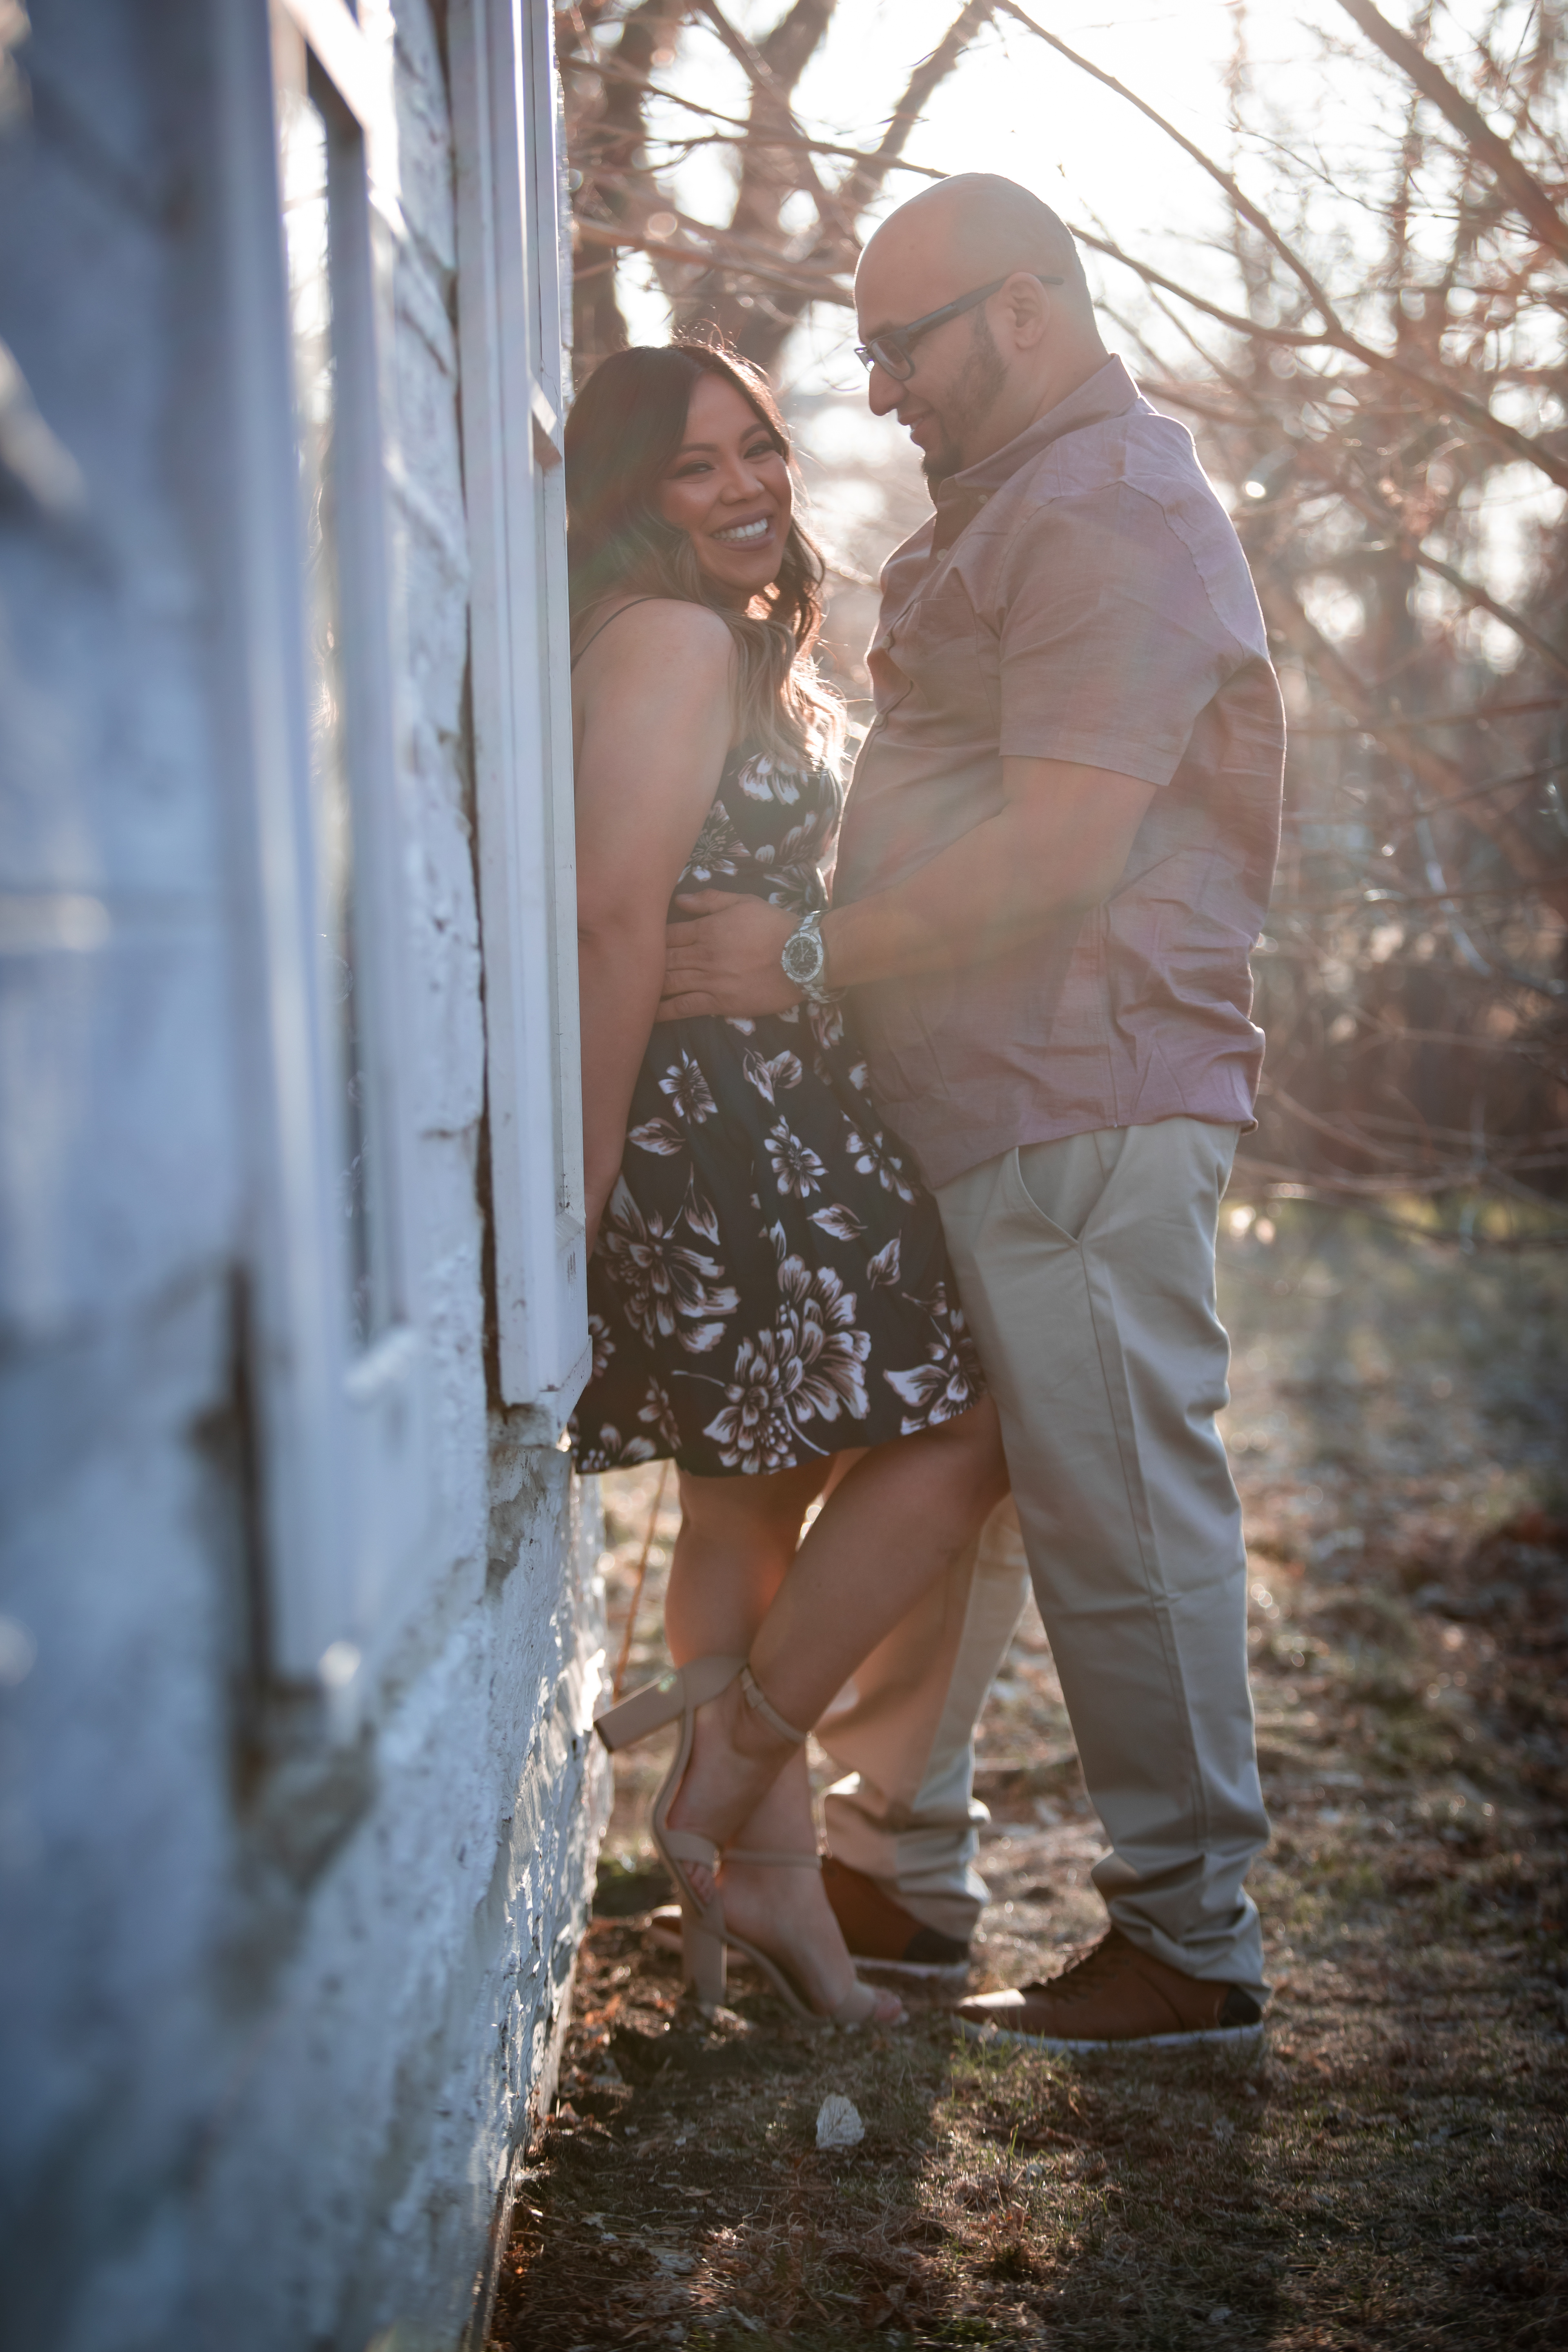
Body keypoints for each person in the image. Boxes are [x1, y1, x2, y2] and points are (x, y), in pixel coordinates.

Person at [658, 174, 1285, 2049]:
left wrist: (809, 955)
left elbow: (1066, 842)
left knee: (1120, 1509)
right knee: (990, 1494)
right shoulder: (1028, 502)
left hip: (1078, 1088)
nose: (878, 390)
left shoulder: (1107, 511)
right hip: (994, 1100)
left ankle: (1190, 1941)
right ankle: (898, 1868)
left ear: (1023, 308)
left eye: (899, 347)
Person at [565, 340, 1009, 2028]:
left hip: (775, 1114)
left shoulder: (699, 631)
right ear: (633, 501)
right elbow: (614, 915)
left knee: (750, 1499)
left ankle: (764, 1887)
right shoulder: (673, 637)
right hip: (728, 1136)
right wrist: (588, 1182)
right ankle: (742, 1775)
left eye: (758, 446)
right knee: (971, 1431)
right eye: (698, 466)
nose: (750, 484)